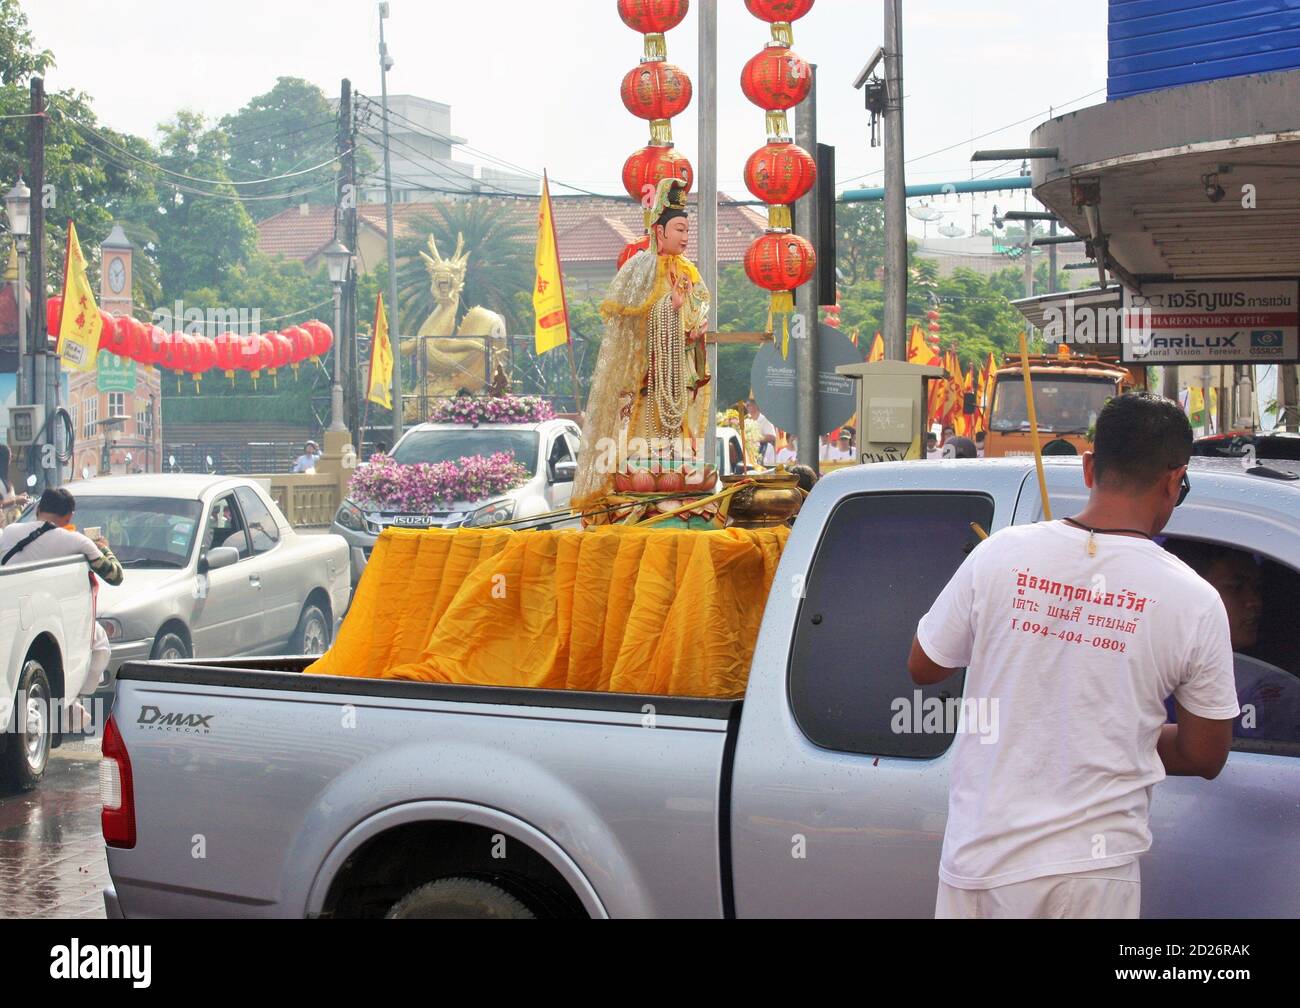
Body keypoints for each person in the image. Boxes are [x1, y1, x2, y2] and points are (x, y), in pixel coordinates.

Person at [908, 393, 1237, 919]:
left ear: (1088, 467)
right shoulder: (1195, 601)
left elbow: (925, 665)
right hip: (1089, 879)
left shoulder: (999, 553)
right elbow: (1205, 754)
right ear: (1175, 480)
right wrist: (1109, 731)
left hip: (976, 863)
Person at [573, 178, 711, 509]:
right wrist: (669, 308)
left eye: (687, 231)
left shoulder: (688, 270)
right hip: (648, 378)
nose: (685, 237)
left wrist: (692, 321)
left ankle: (672, 479)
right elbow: (631, 323)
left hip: (679, 374)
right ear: (659, 232)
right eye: (679, 229)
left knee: (682, 454)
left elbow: (699, 309)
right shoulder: (641, 268)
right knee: (641, 458)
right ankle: (646, 485)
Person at [0, 444, 31, 528]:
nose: (11, 458)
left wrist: (19, 496)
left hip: (9, 523)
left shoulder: (4, 478)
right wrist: (16, 500)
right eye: (10, 456)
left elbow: (5, 497)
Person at [746, 399, 778, 466]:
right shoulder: (747, 420)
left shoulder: (765, 419)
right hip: (752, 454)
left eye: (749, 405)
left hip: (765, 452)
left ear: (755, 406)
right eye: (747, 406)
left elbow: (772, 436)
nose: (747, 407)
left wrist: (755, 438)